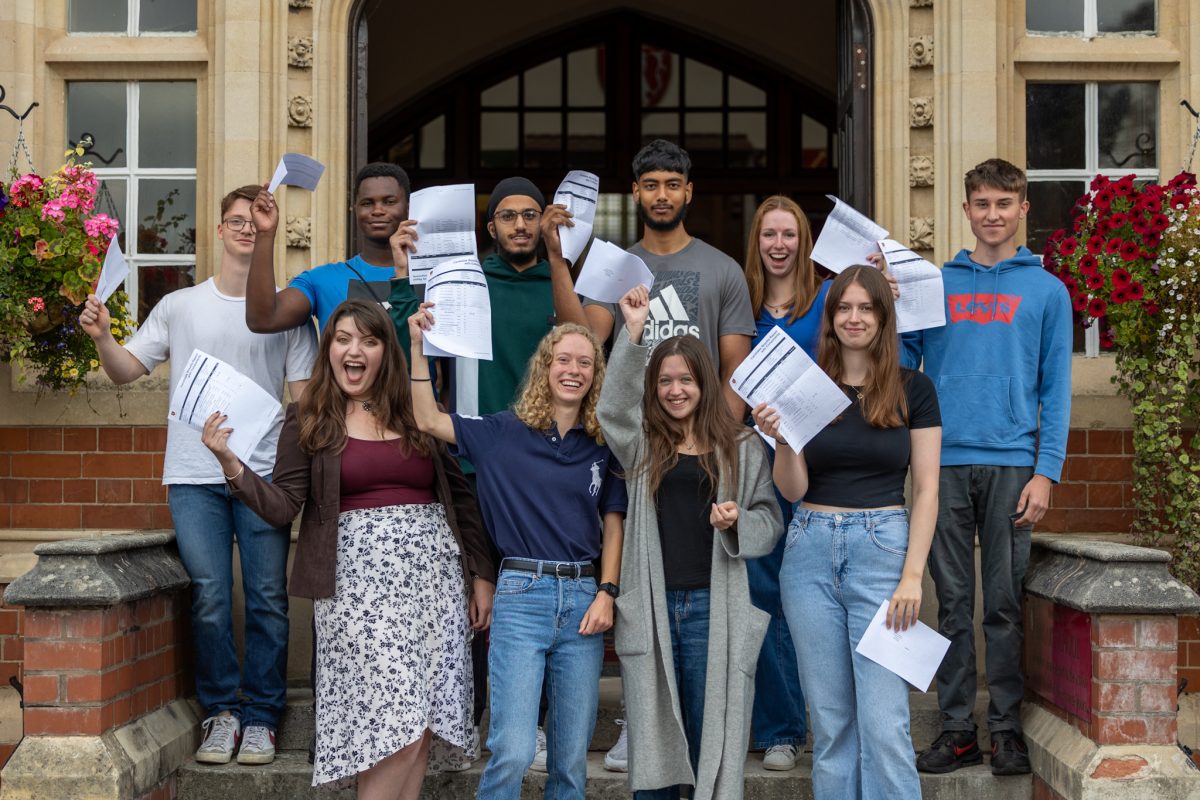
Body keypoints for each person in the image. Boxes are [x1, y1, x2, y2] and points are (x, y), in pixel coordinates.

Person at [201, 299, 496, 798]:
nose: (354, 350)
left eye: (369, 340)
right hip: (357, 591)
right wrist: (230, 463)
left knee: (422, 722)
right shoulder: (309, 417)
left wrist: (481, 576)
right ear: (329, 350)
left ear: (385, 353)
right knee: (393, 727)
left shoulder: (417, 413)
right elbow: (282, 505)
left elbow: (461, 498)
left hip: (435, 586)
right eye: (343, 339)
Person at [78, 185, 318, 766]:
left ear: (267, 231)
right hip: (192, 474)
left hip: (260, 474)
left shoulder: (288, 312)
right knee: (209, 596)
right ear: (218, 229)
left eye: (253, 222)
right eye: (235, 221)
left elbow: (306, 401)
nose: (245, 229)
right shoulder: (180, 305)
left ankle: (262, 717)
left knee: (266, 598)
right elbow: (126, 372)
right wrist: (104, 337)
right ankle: (221, 713)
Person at [407, 308, 626, 800]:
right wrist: (418, 350)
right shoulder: (502, 433)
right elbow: (427, 419)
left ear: (596, 376)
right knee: (512, 750)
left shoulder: (602, 443)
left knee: (571, 760)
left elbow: (614, 523)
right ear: (544, 367)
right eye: (563, 360)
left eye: (585, 363)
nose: (573, 370)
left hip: (583, 598)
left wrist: (607, 592)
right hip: (522, 596)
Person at [391, 176, 568, 771]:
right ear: (489, 228)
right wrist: (403, 277)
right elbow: (410, 347)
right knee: (473, 599)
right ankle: (465, 723)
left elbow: (589, 344)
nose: (519, 225)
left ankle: (534, 725)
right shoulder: (462, 278)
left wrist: (561, 261)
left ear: (543, 222)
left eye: (529, 215)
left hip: (543, 466)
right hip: (470, 459)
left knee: (535, 597)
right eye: (507, 216)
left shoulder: (557, 286)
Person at [905, 158, 1072, 776]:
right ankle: (957, 730)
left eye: (1004, 203)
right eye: (982, 204)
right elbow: (902, 366)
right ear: (966, 209)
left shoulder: (1047, 291)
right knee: (951, 605)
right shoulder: (935, 284)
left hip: (1012, 465)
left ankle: (1005, 729)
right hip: (942, 464)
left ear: (1023, 209)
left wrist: (1045, 472)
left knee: (1002, 606)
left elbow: (1056, 389)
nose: (993, 214)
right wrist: (891, 304)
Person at [755, 265, 941, 799]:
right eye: (843, 308)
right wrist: (784, 440)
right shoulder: (805, 388)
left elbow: (927, 489)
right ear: (830, 317)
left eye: (865, 307)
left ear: (883, 317)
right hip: (809, 550)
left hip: (882, 552)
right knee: (832, 726)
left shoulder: (914, 388)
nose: (853, 318)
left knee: (884, 725)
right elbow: (792, 489)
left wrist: (912, 576)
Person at [598, 285, 782, 800]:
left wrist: (738, 521)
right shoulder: (642, 444)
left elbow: (770, 522)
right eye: (664, 381)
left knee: (709, 742)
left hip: (712, 607)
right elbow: (612, 410)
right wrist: (633, 335)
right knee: (655, 746)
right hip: (654, 605)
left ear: (704, 382)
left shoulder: (741, 446)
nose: (675, 390)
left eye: (686, 380)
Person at [555, 139, 756, 419]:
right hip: (633, 432)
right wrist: (557, 257)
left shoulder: (725, 269)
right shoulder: (613, 267)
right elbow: (585, 341)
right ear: (636, 192)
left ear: (688, 191)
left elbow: (735, 370)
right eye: (651, 185)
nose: (662, 195)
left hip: (702, 432)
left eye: (672, 185)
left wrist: (723, 437)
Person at [738, 195, 829, 770]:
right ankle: (781, 728)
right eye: (769, 234)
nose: (779, 245)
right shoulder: (741, 306)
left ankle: (832, 719)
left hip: (823, 462)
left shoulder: (828, 299)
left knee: (818, 588)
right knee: (762, 590)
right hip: (757, 464)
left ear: (804, 241)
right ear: (757, 242)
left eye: (789, 234)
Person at [244, 162, 413, 333]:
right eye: (367, 203)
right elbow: (263, 320)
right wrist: (265, 232)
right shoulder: (322, 280)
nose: (378, 210)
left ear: (408, 207)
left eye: (389, 202)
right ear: (355, 209)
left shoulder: (428, 275)